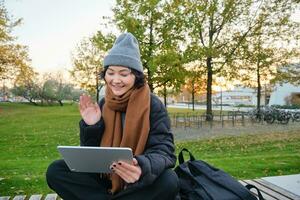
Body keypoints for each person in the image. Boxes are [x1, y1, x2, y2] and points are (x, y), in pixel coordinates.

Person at [46, 32, 179, 200]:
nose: (116, 80)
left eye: (123, 74)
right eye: (111, 73)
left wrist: (142, 167)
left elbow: (165, 150)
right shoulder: (103, 104)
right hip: (105, 177)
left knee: (169, 181)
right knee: (56, 170)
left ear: (135, 76)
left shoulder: (153, 105)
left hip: (136, 181)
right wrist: (92, 125)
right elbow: (90, 155)